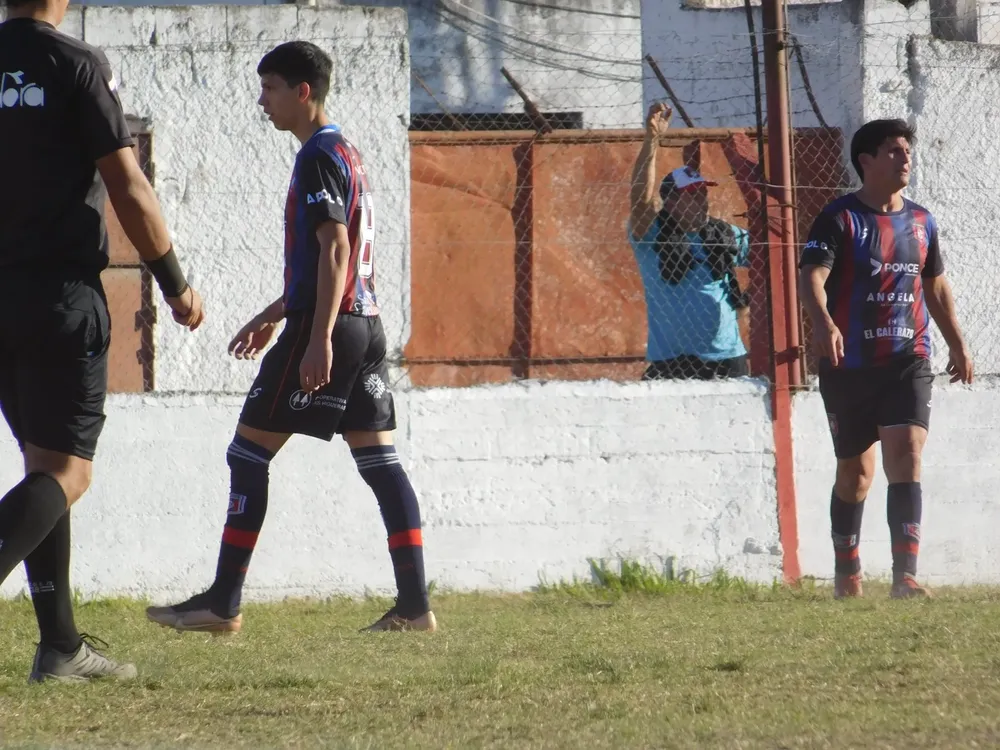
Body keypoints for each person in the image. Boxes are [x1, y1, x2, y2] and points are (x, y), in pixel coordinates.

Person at [146, 41, 436, 635]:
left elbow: (336, 249)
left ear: (304, 92)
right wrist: (276, 311)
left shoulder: (317, 157)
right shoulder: (348, 152)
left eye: (271, 88)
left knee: (247, 454)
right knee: (381, 463)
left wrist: (317, 337)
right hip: (366, 323)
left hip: (331, 327)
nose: (262, 101)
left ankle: (222, 604)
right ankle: (414, 607)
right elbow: (336, 261)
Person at [0, 0, 204, 682]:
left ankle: (60, 647)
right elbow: (127, 183)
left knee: (43, 465)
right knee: (68, 473)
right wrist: (175, 284)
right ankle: (59, 645)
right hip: (59, 297)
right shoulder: (75, 63)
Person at [799, 118, 973, 600]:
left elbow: (934, 285)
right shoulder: (838, 219)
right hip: (849, 364)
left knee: (907, 455)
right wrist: (824, 322)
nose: (905, 158)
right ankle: (847, 569)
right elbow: (812, 275)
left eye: (907, 150)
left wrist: (957, 342)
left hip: (907, 359)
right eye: (894, 151)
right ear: (866, 161)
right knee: (855, 476)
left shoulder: (921, 222)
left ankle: (905, 577)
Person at [628, 102, 752, 380]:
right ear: (670, 202)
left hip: (726, 358)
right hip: (671, 361)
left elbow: (773, 261)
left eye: (702, 194)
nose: (701, 202)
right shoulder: (651, 235)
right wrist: (652, 139)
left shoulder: (724, 233)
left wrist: (745, 301)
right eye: (691, 196)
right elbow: (640, 202)